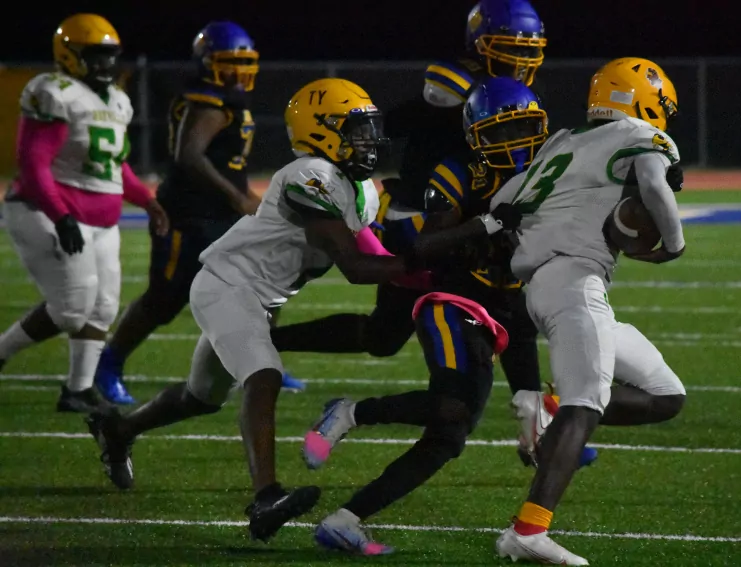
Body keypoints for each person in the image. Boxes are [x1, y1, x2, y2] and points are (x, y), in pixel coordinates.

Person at [83, 77, 513, 542]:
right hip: (227, 285)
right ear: (320, 131)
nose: (369, 141)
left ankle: (118, 430)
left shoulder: (360, 189)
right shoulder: (309, 175)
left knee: (200, 397)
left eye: (369, 129)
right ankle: (265, 497)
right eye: (356, 131)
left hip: (258, 298)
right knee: (264, 375)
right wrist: (433, 255)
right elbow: (355, 267)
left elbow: (379, 257)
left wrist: (443, 277)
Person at [297, 77, 568, 556]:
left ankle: (344, 519)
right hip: (454, 300)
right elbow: (428, 245)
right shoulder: (459, 170)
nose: (515, 143)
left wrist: (531, 405)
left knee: (449, 437)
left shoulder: (549, 171)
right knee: (452, 408)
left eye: (523, 128)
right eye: (501, 132)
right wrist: (489, 224)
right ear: (476, 134)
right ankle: (351, 413)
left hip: (510, 308)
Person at [268, 0, 547, 395]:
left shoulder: (507, 93)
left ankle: (526, 412)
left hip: (466, 219)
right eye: (512, 47)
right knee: (409, 331)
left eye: (529, 50)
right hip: (425, 217)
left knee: (393, 334)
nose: (522, 59)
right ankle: (489, 409)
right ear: (480, 44)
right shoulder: (456, 85)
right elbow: (399, 121)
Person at [491, 58, 688, 565]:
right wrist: (673, 244)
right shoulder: (639, 135)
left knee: (666, 395)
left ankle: (549, 409)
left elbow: (505, 200)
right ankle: (528, 530)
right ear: (642, 98)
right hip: (573, 282)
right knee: (586, 404)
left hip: (548, 284)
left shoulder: (562, 141)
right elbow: (654, 184)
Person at [92, 22, 305, 406]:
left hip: (221, 214)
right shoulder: (207, 101)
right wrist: (237, 198)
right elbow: (189, 156)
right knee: (165, 299)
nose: (238, 71)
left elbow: (227, 165)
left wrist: (251, 201)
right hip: (188, 216)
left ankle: (259, 361)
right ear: (208, 63)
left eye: (244, 63)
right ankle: (109, 363)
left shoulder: (227, 98)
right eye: (229, 62)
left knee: (262, 287)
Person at [0, 13, 169, 413]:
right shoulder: (54, 92)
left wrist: (148, 201)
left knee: (103, 307)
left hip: (101, 220)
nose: (105, 64)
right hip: (44, 210)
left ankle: (78, 390)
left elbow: (113, 167)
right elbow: (34, 164)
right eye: (94, 55)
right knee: (71, 309)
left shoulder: (117, 100)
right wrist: (60, 216)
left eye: (109, 55)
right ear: (69, 55)